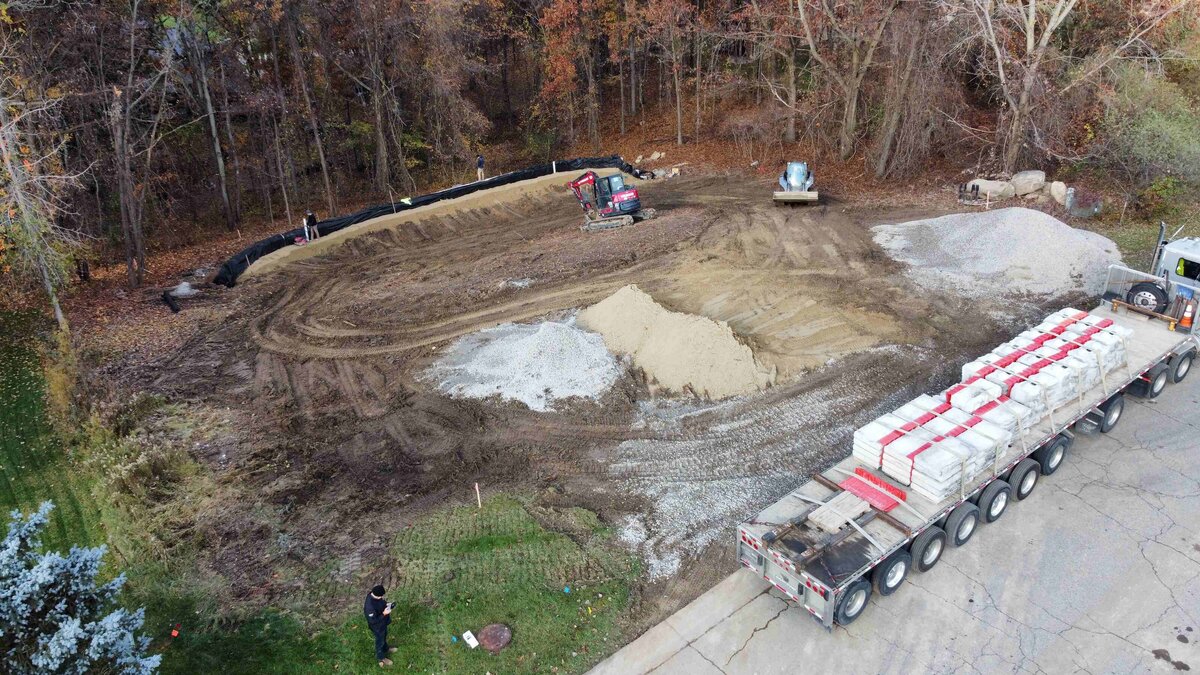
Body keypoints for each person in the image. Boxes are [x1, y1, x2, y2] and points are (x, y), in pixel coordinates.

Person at [364, 585, 398, 667]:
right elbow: (373, 621)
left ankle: (386, 649)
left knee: (384, 637)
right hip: (377, 627)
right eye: (381, 596)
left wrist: (387, 604)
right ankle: (381, 657)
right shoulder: (369, 607)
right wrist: (384, 614)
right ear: (377, 595)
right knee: (380, 642)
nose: (382, 597)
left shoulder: (374, 595)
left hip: (383, 624)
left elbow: (380, 602)